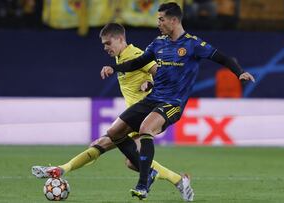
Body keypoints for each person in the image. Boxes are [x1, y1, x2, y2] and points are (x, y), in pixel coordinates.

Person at [100, 2, 255, 200]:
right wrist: (116, 68)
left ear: (173, 21)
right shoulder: (158, 43)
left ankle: (143, 184)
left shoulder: (193, 44)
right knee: (114, 132)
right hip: (153, 99)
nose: (158, 23)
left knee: (146, 128)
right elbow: (138, 62)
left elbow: (222, 58)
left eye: (161, 19)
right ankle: (150, 175)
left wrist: (239, 72)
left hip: (173, 103)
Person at [31, 23, 194, 202]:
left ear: (120, 39)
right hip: (134, 116)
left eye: (108, 43)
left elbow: (165, 75)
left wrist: (150, 84)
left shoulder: (137, 55)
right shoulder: (120, 58)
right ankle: (179, 180)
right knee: (127, 158)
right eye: (103, 44)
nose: (105, 48)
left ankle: (62, 169)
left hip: (148, 114)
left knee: (109, 145)